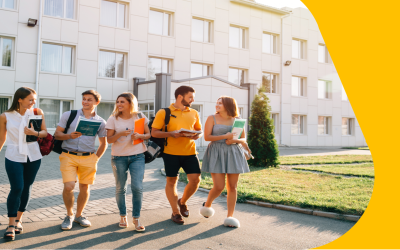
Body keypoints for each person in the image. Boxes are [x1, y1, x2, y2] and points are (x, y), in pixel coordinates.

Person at [54, 90, 107, 230]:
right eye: (84, 99)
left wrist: (96, 158)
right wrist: (69, 136)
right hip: (68, 155)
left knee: (84, 187)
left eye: (89, 99)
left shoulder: (101, 122)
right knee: (69, 186)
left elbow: (103, 143)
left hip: (89, 157)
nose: (85, 102)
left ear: (97, 102)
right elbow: (57, 134)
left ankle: (79, 215)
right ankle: (69, 215)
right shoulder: (69, 115)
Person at [0, 87, 48, 240]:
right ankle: (11, 224)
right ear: (19, 99)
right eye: (30, 99)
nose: (33, 102)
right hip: (13, 155)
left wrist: (34, 133)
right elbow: (2, 139)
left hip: (33, 155)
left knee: (26, 187)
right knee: (17, 187)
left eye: (34, 99)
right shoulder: (5, 116)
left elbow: (45, 133)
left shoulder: (37, 113)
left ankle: (19, 220)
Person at [151, 85, 202, 224]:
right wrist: (171, 134)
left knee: (196, 180)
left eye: (193, 98)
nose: (192, 100)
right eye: (190, 97)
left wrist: (195, 136)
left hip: (190, 152)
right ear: (180, 96)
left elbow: (198, 130)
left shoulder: (194, 113)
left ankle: (183, 201)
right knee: (171, 181)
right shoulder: (164, 112)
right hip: (170, 153)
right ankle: (175, 212)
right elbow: (154, 132)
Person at [199, 96, 250, 228]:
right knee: (219, 187)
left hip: (233, 153)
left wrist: (234, 140)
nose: (217, 105)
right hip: (216, 152)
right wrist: (226, 136)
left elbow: (243, 138)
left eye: (220, 103)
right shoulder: (212, 118)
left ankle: (230, 216)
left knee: (232, 187)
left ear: (228, 105)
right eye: (217, 103)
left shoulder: (237, 120)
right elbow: (207, 137)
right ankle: (208, 204)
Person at [106, 92, 150, 231]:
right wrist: (120, 134)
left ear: (130, 103)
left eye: (122, 102)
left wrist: (140, 135)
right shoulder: (113, 118)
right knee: (121, 188)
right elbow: (109, 140)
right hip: (118, 157)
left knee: (137, 187)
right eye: (117, 102)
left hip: (137, 156)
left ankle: (136, 218)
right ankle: (122, 216)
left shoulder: (140, 116)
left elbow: (149, 134)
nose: (119, 104)